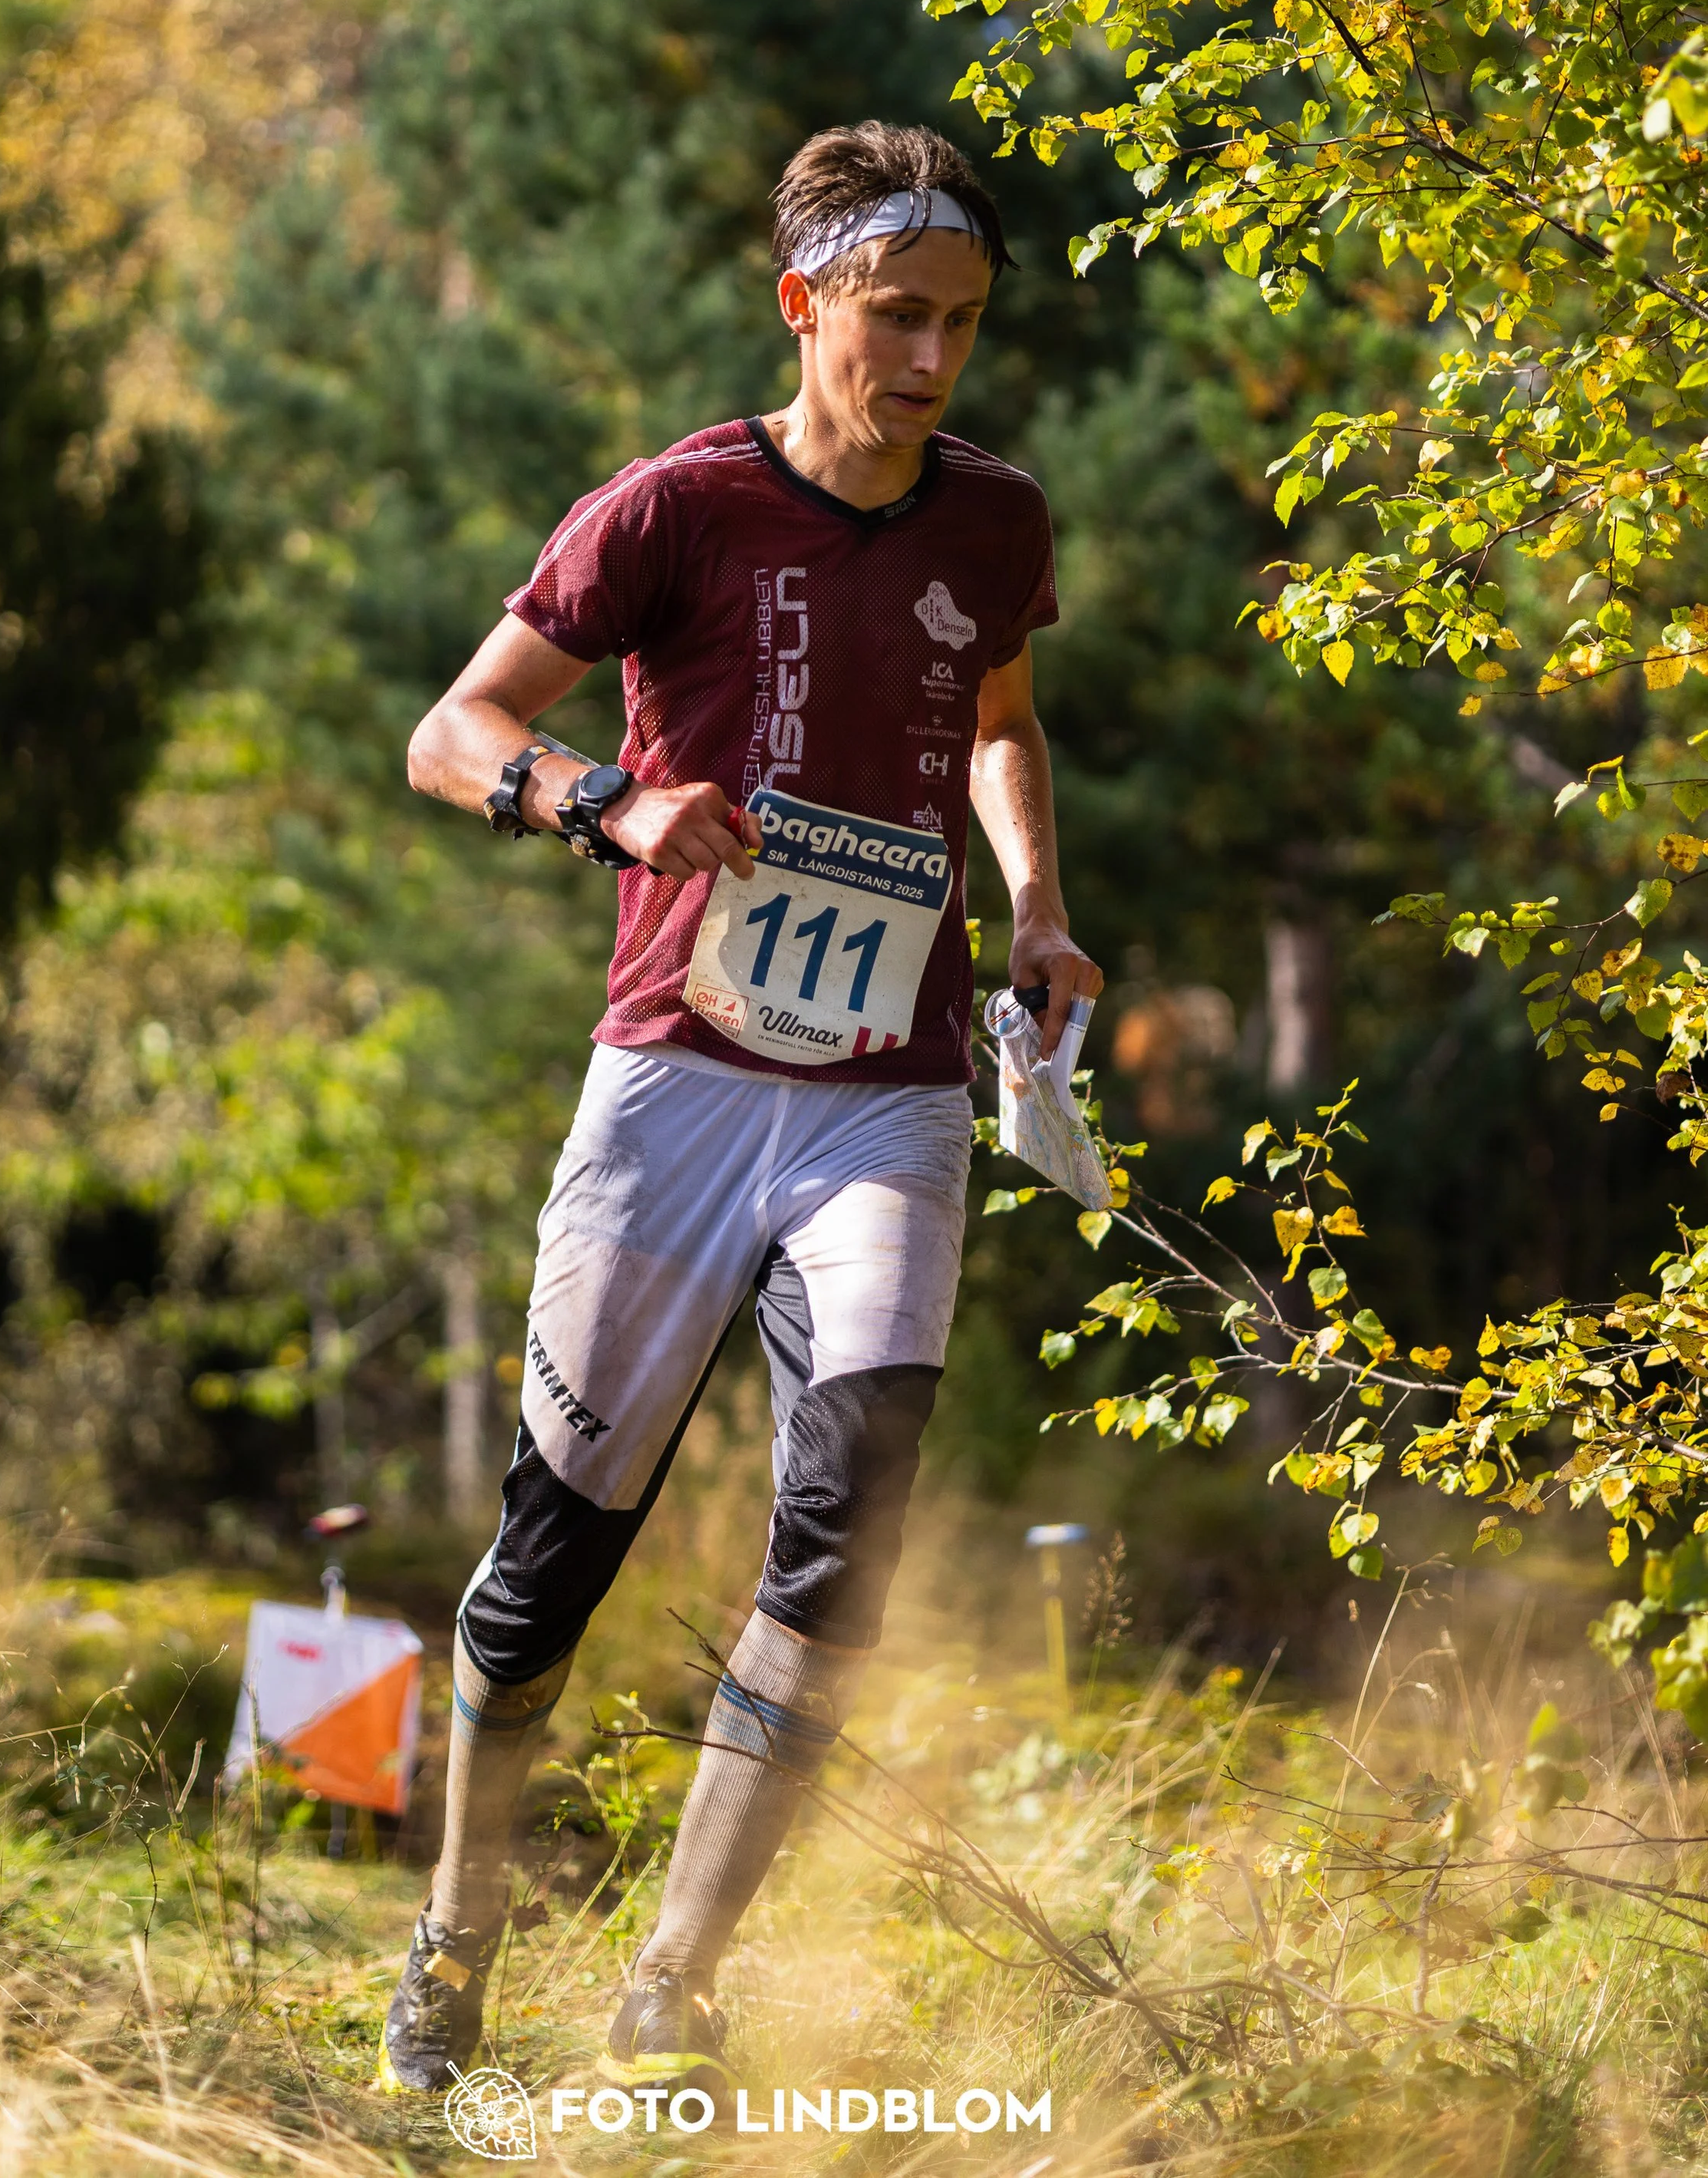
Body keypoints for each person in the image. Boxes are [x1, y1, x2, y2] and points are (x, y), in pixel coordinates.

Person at [381, 119, 1102, 2101]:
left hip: (885, 1095)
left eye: (960, 322)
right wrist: (601, 805)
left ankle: (671, 1978)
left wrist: (1036, 905)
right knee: (546, 1574)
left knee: (846, 1514)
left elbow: (1002, 726)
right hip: (675, 1085)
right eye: (894, 316)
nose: (931, 359)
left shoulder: (992, 522)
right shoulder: (674, 509)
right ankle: (456, 1929)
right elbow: (455, 728)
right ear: (802, 305)